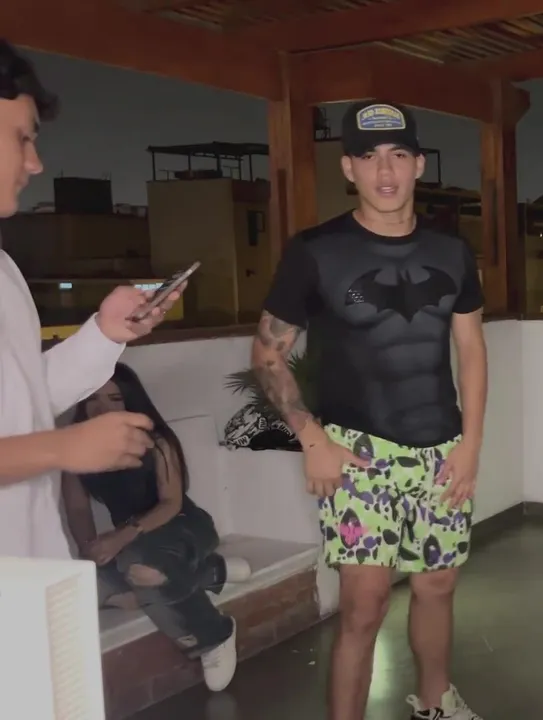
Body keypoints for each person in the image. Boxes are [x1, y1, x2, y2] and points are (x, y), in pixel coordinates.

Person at [251, 100, 488, 720]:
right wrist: (312, 438)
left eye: (399, 155)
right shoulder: (316, 251)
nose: (386, 171)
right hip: (356, 451)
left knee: (437, 585)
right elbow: (268, 355)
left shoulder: (451, 250)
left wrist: (470, 444)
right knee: (364, 603)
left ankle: (436, 703)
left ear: (419, 165)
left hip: (441, 446)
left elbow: (471, 350)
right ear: (348, 168)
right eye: (369, 156)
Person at [0, 39, 184, 558]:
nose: (35, 163)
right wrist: (60, 447)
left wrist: (104, 333)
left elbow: (25, 402)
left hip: (31, 569)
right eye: (22, 138)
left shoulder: (5, 271)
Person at [62, 364, 249, 691]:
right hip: (131, 543)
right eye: (93, 399)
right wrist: (90, 549)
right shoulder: (76, 449)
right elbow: (77, 508)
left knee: (142, 569)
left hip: (181, 527)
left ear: (130, 401)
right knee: (73, 594)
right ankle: (207, 572)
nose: (102, 408)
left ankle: (213, 635)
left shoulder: (156, 441)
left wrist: (120, 538)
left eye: (115, 398)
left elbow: (170, 503)